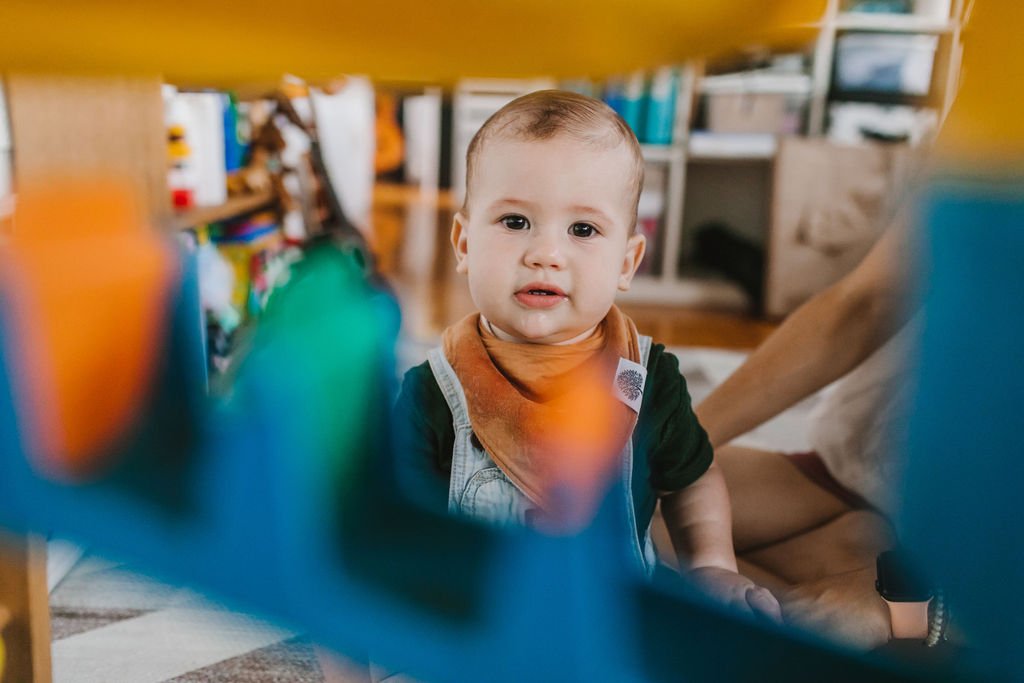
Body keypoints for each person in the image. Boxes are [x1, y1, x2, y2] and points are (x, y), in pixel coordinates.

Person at [392, 90, 780, 619]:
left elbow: (691, 478)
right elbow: (391, 517)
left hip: (610, 619)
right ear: (463, 243)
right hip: (476, 625)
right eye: (514, 221)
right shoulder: (436, 387)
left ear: (628, 261)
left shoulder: (646, 377)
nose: (545, 254)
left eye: (582, 230)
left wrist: (712, 564)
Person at [695, 204, 920, 648]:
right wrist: (678, 446)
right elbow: (869, 300)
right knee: (609, 510)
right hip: (861, 463)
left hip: (975, 543)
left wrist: (902, 599)